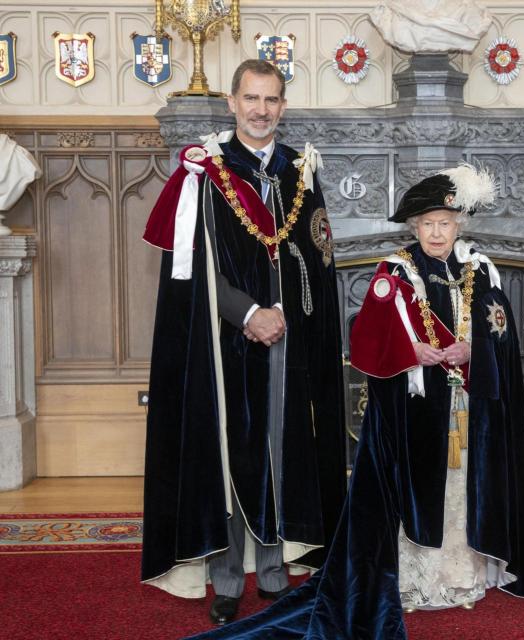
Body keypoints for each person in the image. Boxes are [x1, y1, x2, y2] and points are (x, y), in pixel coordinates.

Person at [188, 164, 524, 639]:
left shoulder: (481, 268)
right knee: (418, 493)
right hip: (412, 411)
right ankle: (417, 582)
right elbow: (367, 341)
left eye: (446, 223)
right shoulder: (393, 272)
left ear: (460, 224)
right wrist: (410, 351)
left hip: (464, 408)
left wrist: (475, 348)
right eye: (428, 224)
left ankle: (462, 575)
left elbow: (501, 330)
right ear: (415, 227)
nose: (437, 233)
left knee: (461, 491)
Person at [140, 59, 347, 626]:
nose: (262, 110)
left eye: (272, 100)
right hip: (224, 342)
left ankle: (277, 572)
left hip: (290, 340)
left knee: (284, 450)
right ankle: (228, 578)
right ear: (231, 102)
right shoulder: (205, 173)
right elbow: (193, 270)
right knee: (234, 452)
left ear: (283, 105)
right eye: (251, 99)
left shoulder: (298, 172)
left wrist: (287, 317)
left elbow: (316, 262)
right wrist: (251, 313)